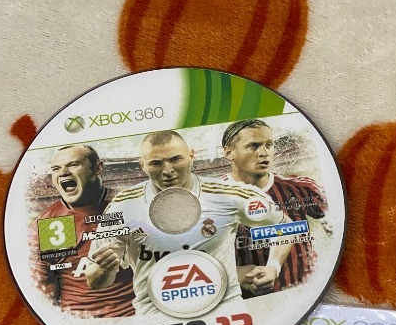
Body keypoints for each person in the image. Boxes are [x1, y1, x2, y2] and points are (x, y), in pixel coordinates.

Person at [84, 130, 291, 312]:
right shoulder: (122, 207)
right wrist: (103, 270)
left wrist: (273, 267)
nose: (167, 170)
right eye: (156, 163)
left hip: (225, 315)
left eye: (176, 159)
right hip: (157, 322)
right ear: (143, 165)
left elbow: (286, 227)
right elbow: (95, 280)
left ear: (192, 156)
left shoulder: (228, 195)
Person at [221, 118, 327, 296]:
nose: (264, 153)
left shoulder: (302, 188)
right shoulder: (210, 199)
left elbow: (335, 226)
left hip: (305, 293)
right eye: (253, 146)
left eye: (268, 145)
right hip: (251, 303)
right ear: (229, 152)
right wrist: (234, 274)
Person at [36, 144, 134, 316]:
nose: (63, 172)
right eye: (56, 169)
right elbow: (43, 290)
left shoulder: (129, 206)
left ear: (97, 168)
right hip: (80, 322)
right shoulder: (51, 223)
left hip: (135, 315)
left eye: (73, 164)